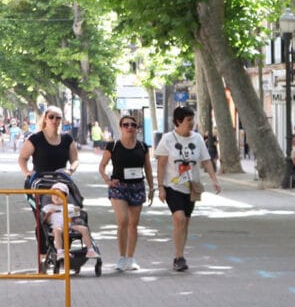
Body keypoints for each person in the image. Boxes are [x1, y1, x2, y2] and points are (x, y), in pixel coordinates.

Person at [155, 106, 220, 273]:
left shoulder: (197, 138)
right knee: (179, 219)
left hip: (191, 187)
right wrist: (160, 187)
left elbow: (206, 161)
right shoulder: (168, 139)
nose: (192, 123)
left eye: (193, 119)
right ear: (179, 121)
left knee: (185, 223)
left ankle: (181, 254)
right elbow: (161, 164)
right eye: (189, 120)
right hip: (172, 186)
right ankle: (178, 257)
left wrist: (214, 180)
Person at [97, 113, 153, 272]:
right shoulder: (113, 145)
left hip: (137, 187)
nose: (129, 127)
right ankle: (121, 257)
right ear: (121, 128)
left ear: (137, 128)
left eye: (133, 125)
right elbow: (102, 166)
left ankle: (130, 258)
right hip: (119, 186)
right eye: (126, 125)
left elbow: (148, 168)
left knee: (133, 224)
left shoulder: (143, 146)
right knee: (123, 220)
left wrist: (152, 188)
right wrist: (108, 180)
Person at [41, 181, 99, 266]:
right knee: (57, 230)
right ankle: (60, 251)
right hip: (57, 227)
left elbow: (78, 217)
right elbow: (46, 222)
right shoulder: (48, 207)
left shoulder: (70, 206)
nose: (56, 197)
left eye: (59, 195)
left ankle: (90, 250)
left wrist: (78, 210)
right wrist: (49, 213)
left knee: (84, 229)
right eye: (54, 195)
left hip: (70, 225)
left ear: (65, 197)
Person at [18, 106, 79, 180]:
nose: (54, 120)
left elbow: (75, 160)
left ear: (61, 120)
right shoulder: (35, 138)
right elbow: (22, 158)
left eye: (58, 118)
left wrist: (70, 171)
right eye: (51, 117)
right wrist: (27, 173)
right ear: (45, 119)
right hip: (40, 181)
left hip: (61, 180)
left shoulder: (67, 139)